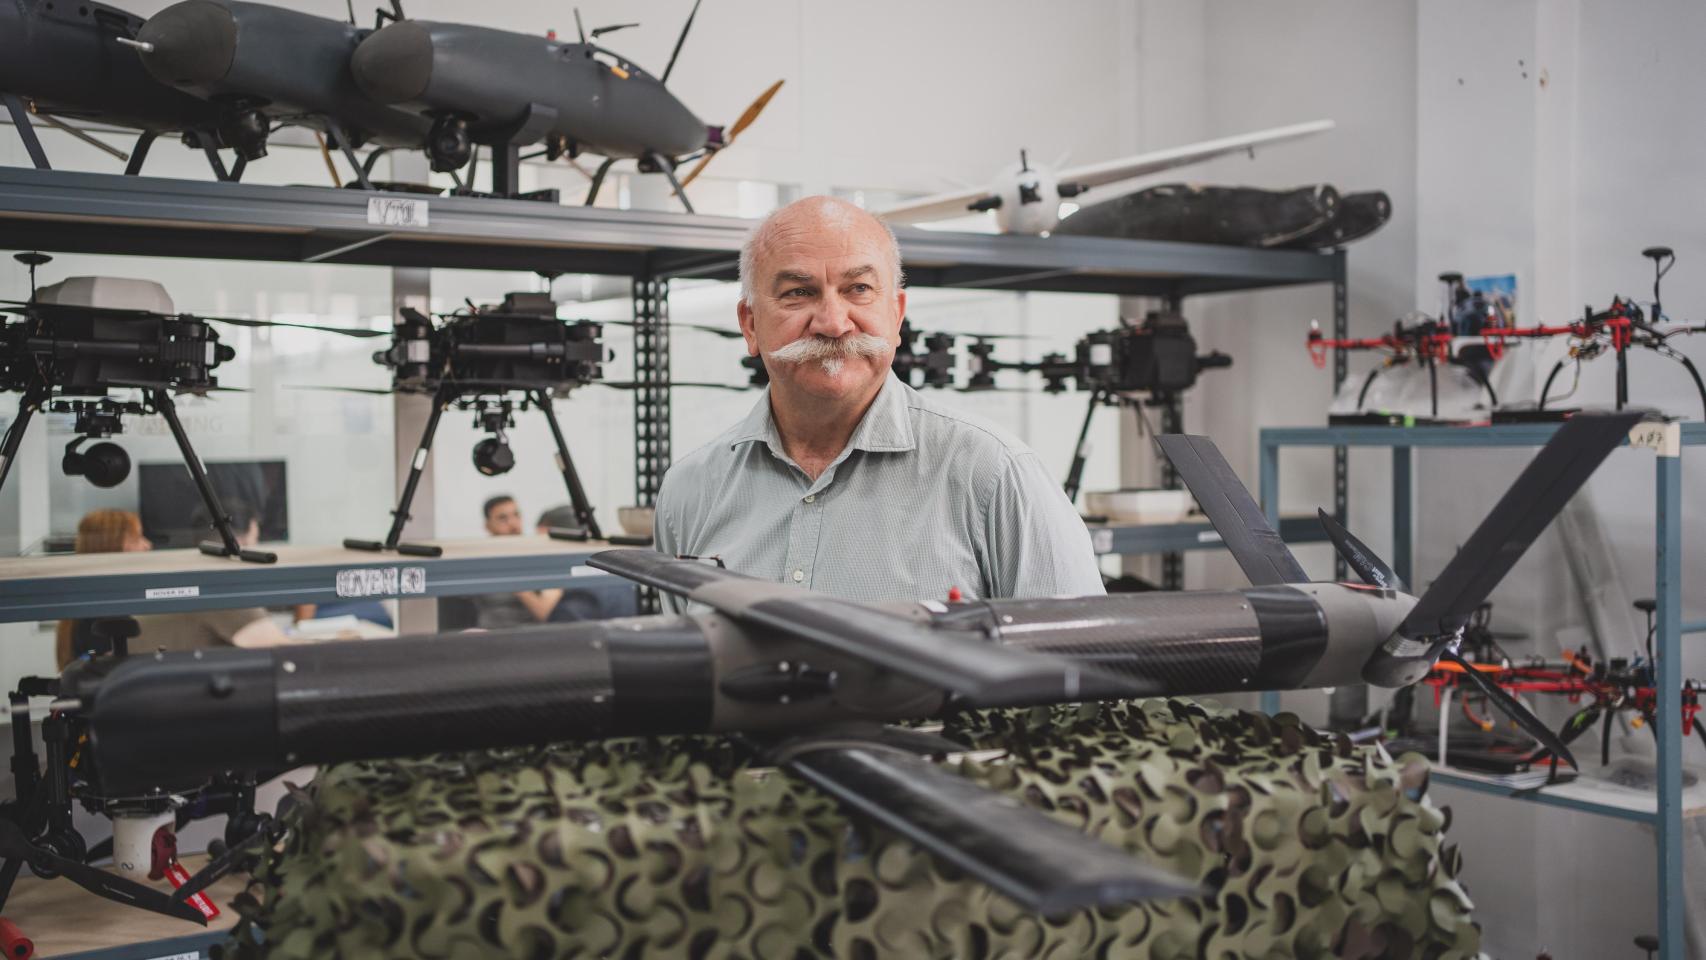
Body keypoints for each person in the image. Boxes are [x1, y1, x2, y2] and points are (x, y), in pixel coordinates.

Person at [654, 196, 1103, 603]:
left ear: (896, 314)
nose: (832, 322)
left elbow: (1085, 675)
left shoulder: (995, 476)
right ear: (750, 324)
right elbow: (681, 678)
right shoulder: (689, 493)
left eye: (859, 290)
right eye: (798, 293)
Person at [131, 499, 293, 652]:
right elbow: (278, 651)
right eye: (255, 540)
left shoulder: (190, 576)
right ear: (239, 544)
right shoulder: (221, 586)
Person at [55, 509, 152, 667]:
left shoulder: (85, 608)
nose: (147, 545)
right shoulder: (100, 621)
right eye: (137, 538)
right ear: (114, 547)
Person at [469, 495, 561, 627]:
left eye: (516, 515)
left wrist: (514, 575)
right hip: (489, 636)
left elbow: (545, 612)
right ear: (488, 526)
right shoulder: (479, 561)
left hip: (529, 635)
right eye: (503, 518)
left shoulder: (538, 557)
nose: (513, 524)